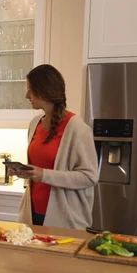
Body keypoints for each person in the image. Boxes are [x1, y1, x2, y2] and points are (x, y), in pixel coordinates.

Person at [10, 64, 98, 229]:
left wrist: (44, 175)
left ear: (44, 91)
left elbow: (89, 177)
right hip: (31, 215)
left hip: (65, 219)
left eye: (30, 90)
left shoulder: (77, 128)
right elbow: (40, 171)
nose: (26, 95)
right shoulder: (34, 124)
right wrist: (25, 172)